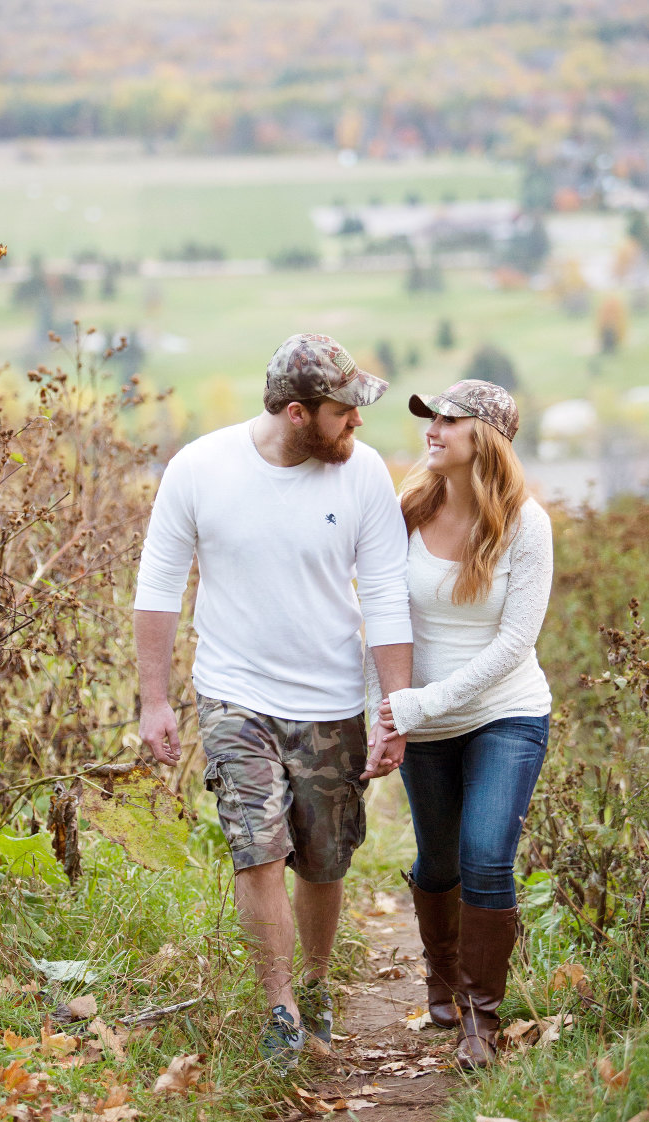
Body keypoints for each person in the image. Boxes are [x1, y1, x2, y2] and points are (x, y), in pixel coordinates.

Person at [134, 333, 412, 1071]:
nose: (357, 423)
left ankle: (317, 986)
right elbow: (158, 587)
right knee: (256, 847)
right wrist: (154, 700)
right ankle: (280, 1007)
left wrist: (395, 708)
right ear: (297, 413)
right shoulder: (199, 468)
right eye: (344, 411)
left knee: (322, 860)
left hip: (328, 699)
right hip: (234, 693)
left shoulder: (365, 476)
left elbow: (385, 593)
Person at [367, 379, 552, 1070]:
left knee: (484, 855)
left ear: (488, 438)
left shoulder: (527, 524)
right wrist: (384, 714)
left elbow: (514, 645)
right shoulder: (405, 509)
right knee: (438, 861)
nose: (433, 429)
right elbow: (381, 620)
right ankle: (441, 981)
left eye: (450, 420)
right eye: (430, 418)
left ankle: (481, 1020)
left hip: (506, 712)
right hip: (426, 723)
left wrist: (420, 701)